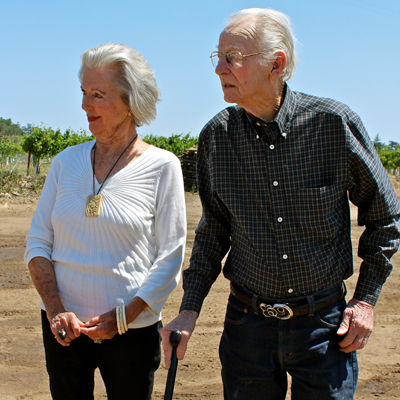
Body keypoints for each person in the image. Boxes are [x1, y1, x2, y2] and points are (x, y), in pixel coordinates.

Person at [161, 8, 400, 400]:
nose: (219, 69)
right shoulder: (217, 138)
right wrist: (189, 309)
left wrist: (365, 301)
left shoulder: (332, 125)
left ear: (277, 64)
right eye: (217, 58)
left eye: (232, 58)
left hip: (325, 329)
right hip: (247, 330)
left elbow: (386, 217)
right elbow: (213, 232)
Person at [25, 42, 186, 400]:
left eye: (98, 94)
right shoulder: (66, 163)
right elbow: (38, 243)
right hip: (64, 330)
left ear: (131, 102)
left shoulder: (162, 167)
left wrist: (124, 317)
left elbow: (170, 258)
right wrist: (56, 311)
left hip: (132, 332)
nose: (85, 105)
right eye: (83, 92)